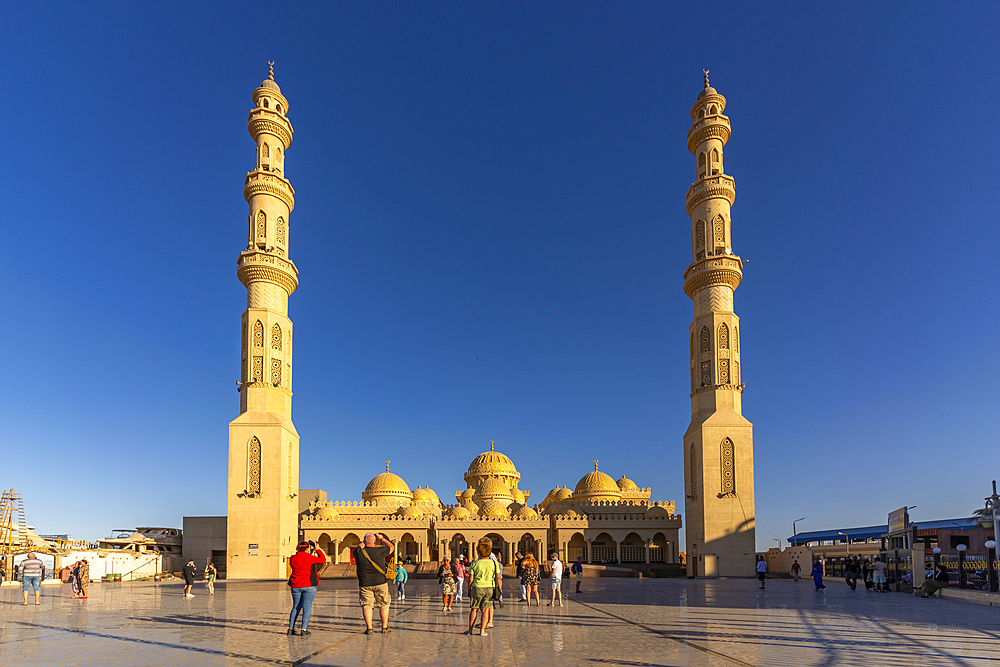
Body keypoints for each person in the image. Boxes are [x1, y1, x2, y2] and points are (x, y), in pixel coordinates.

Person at [353, 533, 394, 634]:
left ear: (364, 542)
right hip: (381, 582)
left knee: (367, 606)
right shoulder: (379, 551)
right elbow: (391, 547)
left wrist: (361, 544)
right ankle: (384, 627)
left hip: (365, 583)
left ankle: (369, 628)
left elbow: (356, 549)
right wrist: (382, 538)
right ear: (375, 542)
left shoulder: (358, 552)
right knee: (384, 604)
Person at [288, 541, 327, 635]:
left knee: (296, 607)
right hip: (308, 585)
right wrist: (318, 549)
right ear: (307, 548)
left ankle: (290, 629)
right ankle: (303, 629)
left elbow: (301, 562)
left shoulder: (293, 558)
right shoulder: (310, 558)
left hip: (296, 585)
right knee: (307, 607)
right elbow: (322, 560)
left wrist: (309, 553)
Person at [466, 537, 501, 636]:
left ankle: (470, 630)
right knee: (485, 610)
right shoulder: (494, 563)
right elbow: (498, 578)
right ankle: (482, 631)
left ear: (479, 553)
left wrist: (469, 589)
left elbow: (471, 579)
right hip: (489, 588)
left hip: (477, 587)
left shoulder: (474, 564)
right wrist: (500, 589)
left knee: (474, 609)